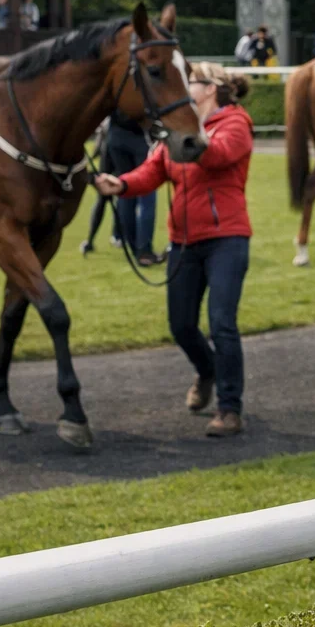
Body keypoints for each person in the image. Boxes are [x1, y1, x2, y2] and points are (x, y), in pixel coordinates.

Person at [93, 63, 253, 438]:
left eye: (191, 82)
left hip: (226, 238)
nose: (184, 88)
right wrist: (120, 183)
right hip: (183, 241)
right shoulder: (178, 129)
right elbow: (153, 171)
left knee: (222, 324)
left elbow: (217, 155)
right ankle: (208, 370)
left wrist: (185, 132)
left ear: (210, 89)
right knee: (180, 325)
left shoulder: (234, 124)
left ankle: (230, 409)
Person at [98, 111, 160, 265]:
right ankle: (144, 250)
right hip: (140, 137)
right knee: (147, 194)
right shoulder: (140, 88)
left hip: (116, 136)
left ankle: (130, 246)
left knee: (125, 192)